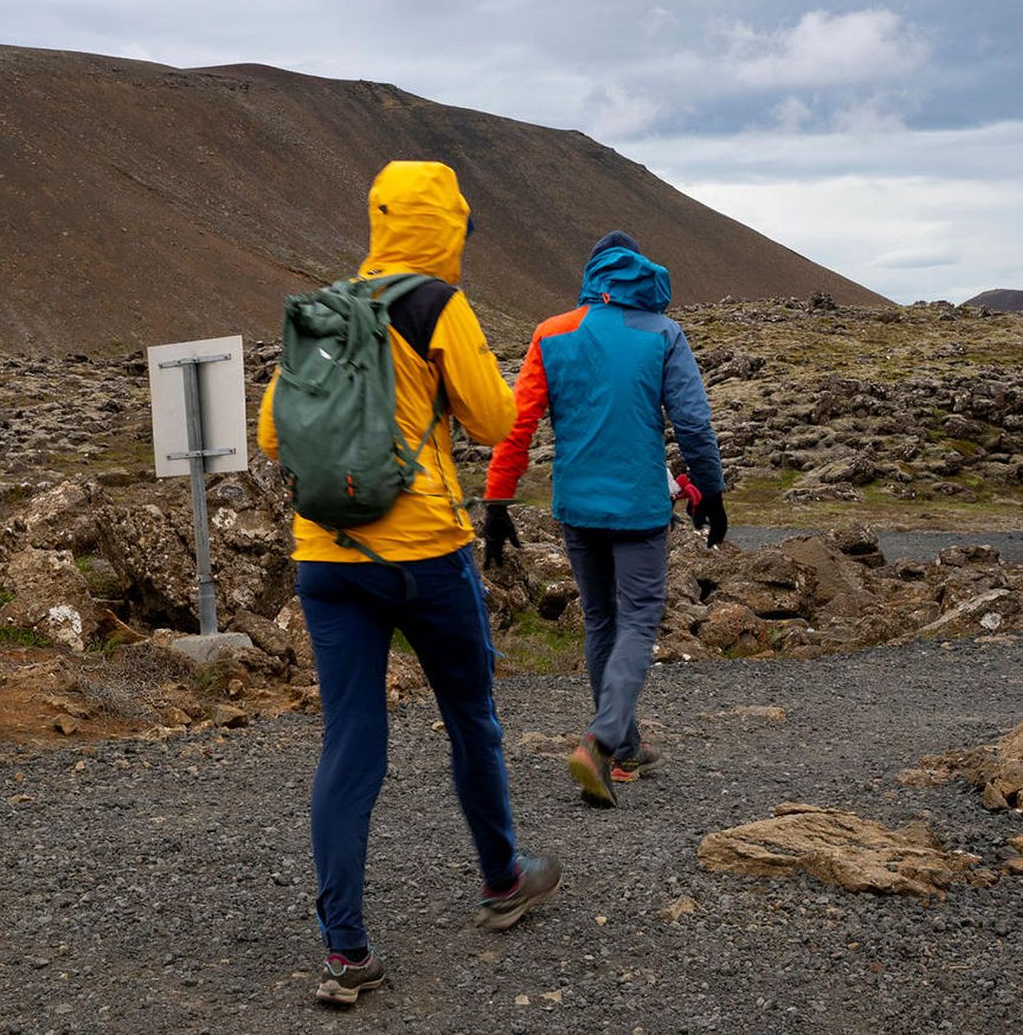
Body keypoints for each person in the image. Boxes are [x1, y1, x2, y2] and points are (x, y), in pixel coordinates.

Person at [257, 161, 560, 1007]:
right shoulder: (436, 306)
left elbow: (273, 435)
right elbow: (496, 419)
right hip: (424, 550)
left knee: (351, 744)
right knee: (471, 717)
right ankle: (502, 879)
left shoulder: (323, 306)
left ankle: (345, 950)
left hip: (325, 555)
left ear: (379, 219)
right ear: (451, 227)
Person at [482, 230, 727, 807]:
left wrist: (498, 499)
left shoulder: (552, 332)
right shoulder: (663, 333)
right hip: (640, 506)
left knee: (599, 621)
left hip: (578, 507)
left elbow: (518, 424)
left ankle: (625, 747)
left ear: (593, 276)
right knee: (638, 620)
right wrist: (710, 491)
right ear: (640, 273)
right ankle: (600, 739)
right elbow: (691, 422)